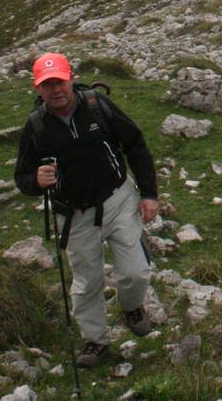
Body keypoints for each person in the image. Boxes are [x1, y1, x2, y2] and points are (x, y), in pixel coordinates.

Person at [15, 52, 161, 368]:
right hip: (73, 214)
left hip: (117, 198)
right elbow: (22, 177)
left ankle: (132, 307)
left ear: (72, 79)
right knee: (87, 281)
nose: (56, 90)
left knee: (136, 271)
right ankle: (96, 341)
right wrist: (36, 181)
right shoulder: (36, 126)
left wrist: (148, 194)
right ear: (38, 89)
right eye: (48, 84)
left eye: (61, 81)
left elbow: (135, 144)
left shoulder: (97, 106)